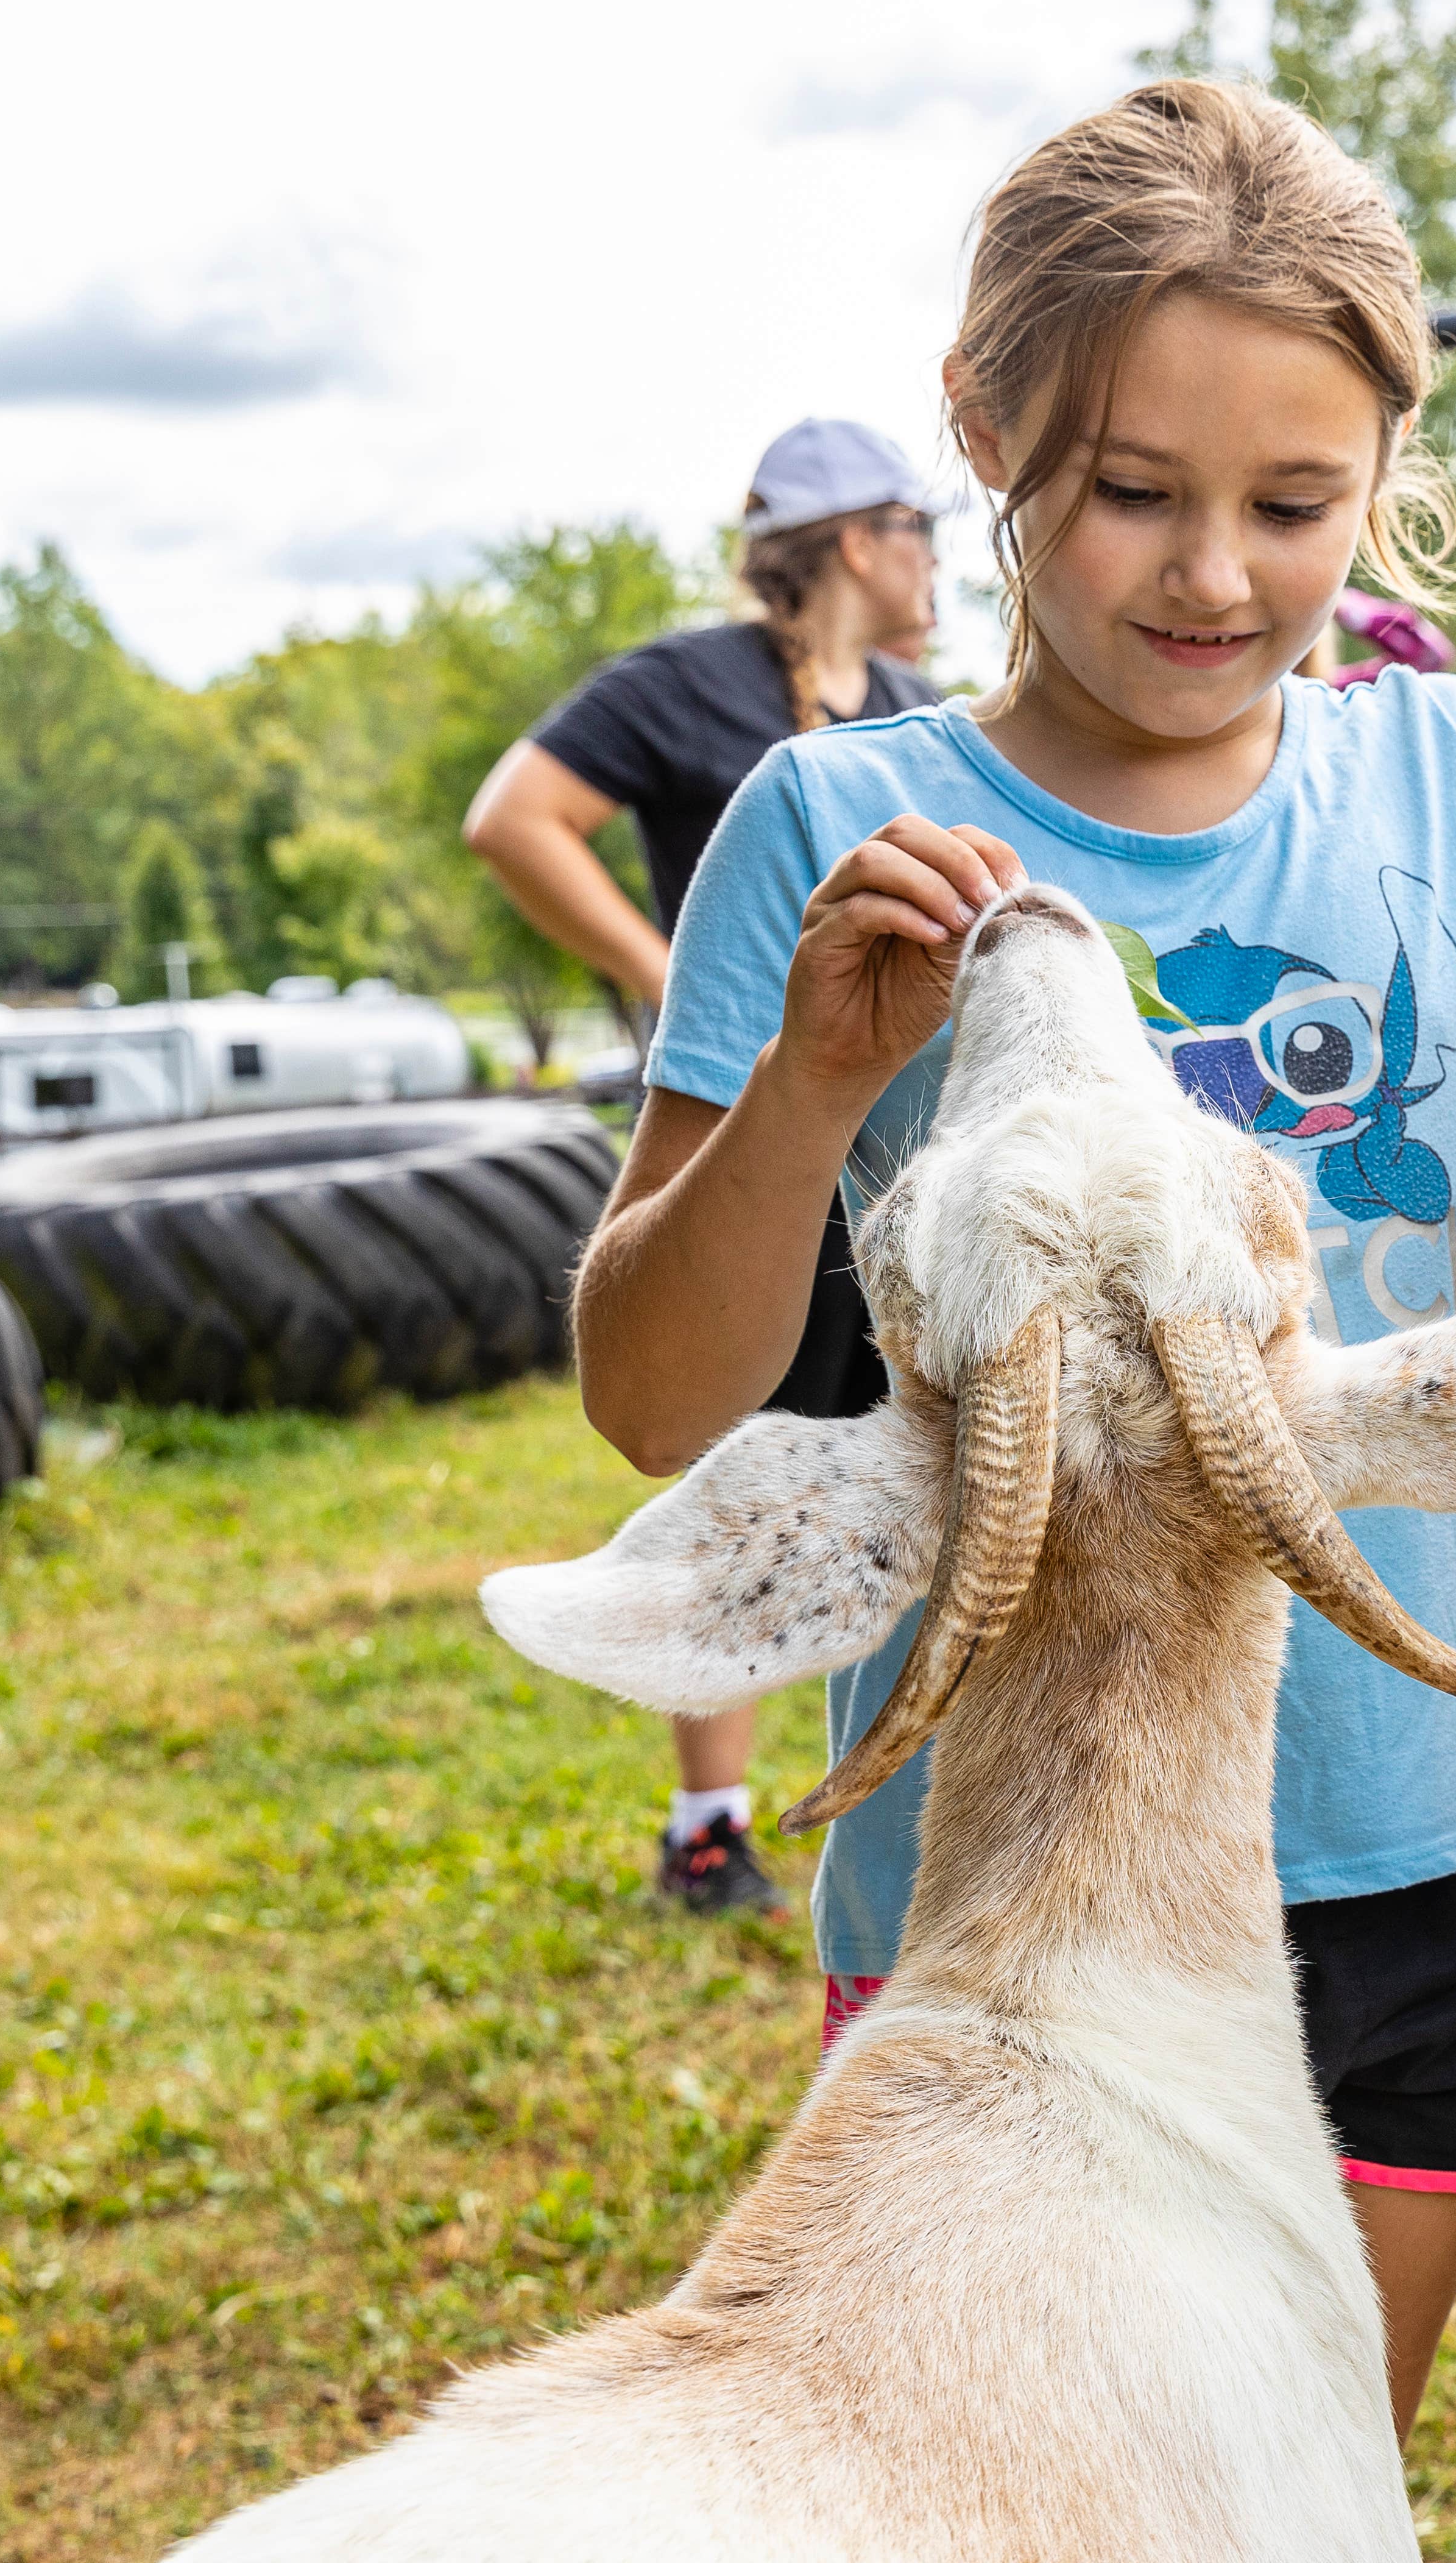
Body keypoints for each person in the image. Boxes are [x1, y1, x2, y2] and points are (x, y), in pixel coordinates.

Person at [561, 77, 1456, 2434]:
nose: (1213, 573)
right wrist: (807, 1083)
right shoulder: (834, 824)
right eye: (1134, 491)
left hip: (1432, 1826)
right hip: (1025, 1873)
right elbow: (646, 1398)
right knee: (1030, 2469)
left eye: (1294, 505)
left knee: (1303, 2459)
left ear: (1385, 473)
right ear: (985, 429)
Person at [464, 419, 950, 1917]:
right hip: (745, 1137)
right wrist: (674, 975)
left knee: (900, 1453)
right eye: (922, 527)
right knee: (743, 1465)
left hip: (894, 1159)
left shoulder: (917, 711)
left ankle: (923, 1772)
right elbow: (513, 817)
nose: (939, 558)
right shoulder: (689, 683)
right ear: (859, 539)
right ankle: (709, 1824)